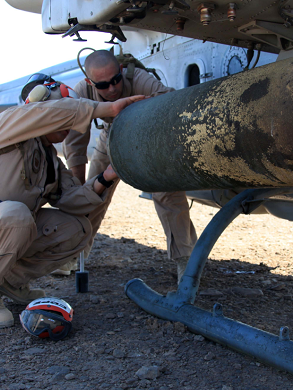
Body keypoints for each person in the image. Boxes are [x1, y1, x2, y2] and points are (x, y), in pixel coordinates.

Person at [0, 80, 146, 328]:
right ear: (39, 107)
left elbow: (73, 201)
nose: (69, 125)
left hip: (9, 226)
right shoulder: (7, 125)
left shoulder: (50, 159)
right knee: (16, 215)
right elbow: (46, 113)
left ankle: (8, 281)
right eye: (62, 111)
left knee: (77, 229)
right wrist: (106, 109)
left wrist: (107, 176)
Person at [61, 49, 197, 281]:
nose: (113, 89)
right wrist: (78, 190)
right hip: (110, 138)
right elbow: (75, 144)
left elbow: (171, 105)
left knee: (167, 195)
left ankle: (187, 260)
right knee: (93, 195)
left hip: (147, 139)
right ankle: (73, 255)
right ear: (89, 82)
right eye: (103, 85)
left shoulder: (140, 80)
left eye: (116, 80)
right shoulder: (82, 93)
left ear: (121, 71)